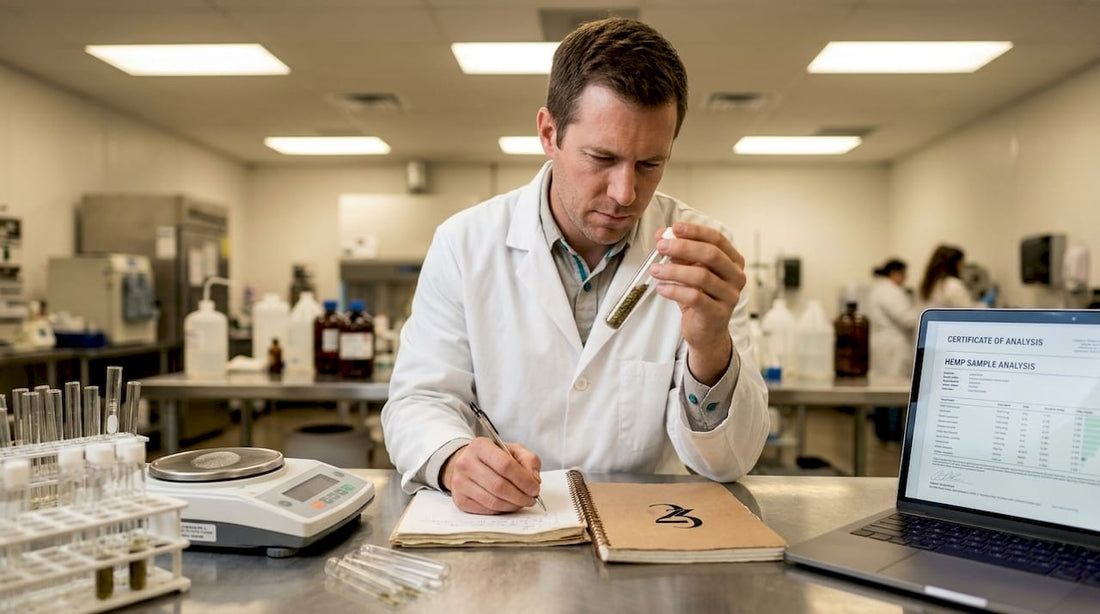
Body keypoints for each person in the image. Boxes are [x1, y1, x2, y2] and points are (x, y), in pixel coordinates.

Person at [381, 17, 769, 514]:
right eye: (601, 158)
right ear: (549, 132)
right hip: (508, 537)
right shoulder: (465, 243)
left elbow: (729, 462)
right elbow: (419, 400)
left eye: (650, 163)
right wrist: (455, 460)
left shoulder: (703, 258)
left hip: (648, 541)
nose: (625, 193)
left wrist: (710, 344)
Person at [865, 258, 919, 443]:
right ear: (895, 273)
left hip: (884, 344)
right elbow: (907, 318)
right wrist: (926, 313)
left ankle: (884, 433)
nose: (906, 278)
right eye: (904, 274)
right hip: (893, 346)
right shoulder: (890, 291)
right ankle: (891, 435)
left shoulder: (879, 289)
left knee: (882, 390)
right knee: (894, 391)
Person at [918, 244, 995, 308]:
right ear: (955, 264)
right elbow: (968, 312)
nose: (963, 267)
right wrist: (985, 302)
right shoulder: (953, 285)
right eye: (962, 263)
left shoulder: (928, 284)